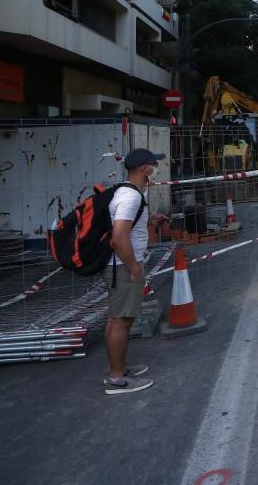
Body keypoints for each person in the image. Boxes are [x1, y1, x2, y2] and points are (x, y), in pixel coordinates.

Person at [103, 148, 167, 395]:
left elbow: (124, 228)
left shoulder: (126, 192)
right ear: (144, 169)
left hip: (117, 266)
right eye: (154, 164)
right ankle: (117, 379)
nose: (155, 168)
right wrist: (134, 268)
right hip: (122, 267)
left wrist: (150, 223)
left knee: (116, 319)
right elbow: (119, 238)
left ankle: (118, 368)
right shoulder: (130, 197)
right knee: (121, 321)